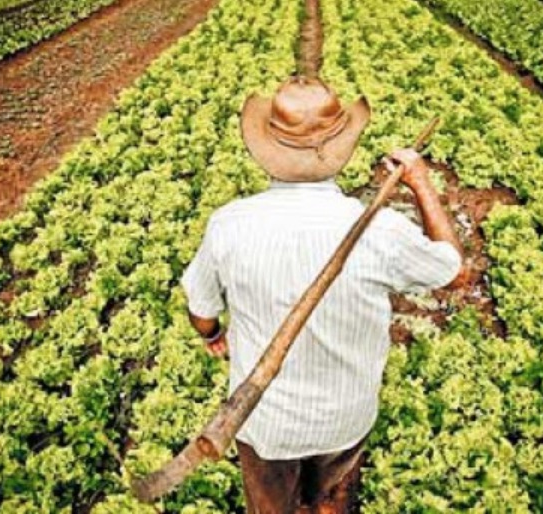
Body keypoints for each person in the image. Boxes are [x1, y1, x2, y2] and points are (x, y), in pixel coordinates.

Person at [180, 76, 466, 513]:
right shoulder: (381, 230)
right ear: (341, 148)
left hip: (264, 422)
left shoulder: (229, 225)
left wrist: (212, 334)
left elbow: (201, 310)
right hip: (343, 419)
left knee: (270, 504)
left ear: (266, 148)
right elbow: (453, 271)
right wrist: (422, 184)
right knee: (330, 495)